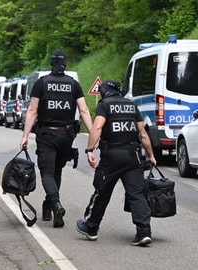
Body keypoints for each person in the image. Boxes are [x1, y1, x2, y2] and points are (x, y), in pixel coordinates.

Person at [75, 80, 157, 246]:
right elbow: (142, 134)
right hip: (132, 156)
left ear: (104, 91)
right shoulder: (131, 105)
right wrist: (150, 155)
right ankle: (143, 232)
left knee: (102, 191)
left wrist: (90, 150)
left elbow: (97, 128)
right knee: (137, 194)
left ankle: (91, 227)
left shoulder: (104, 105)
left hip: (111, 156)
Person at [20, 49, 93, 228]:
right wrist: (93, 133)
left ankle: (56, 204)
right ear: (65, 64)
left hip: (46, 134)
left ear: (51, 64)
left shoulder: (42, 83)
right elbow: (83, 110)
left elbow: (32, 110)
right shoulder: (73, 84)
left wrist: (25, 135)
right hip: (67, 135)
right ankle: (49, 204)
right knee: (57, 171)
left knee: (46, 172)